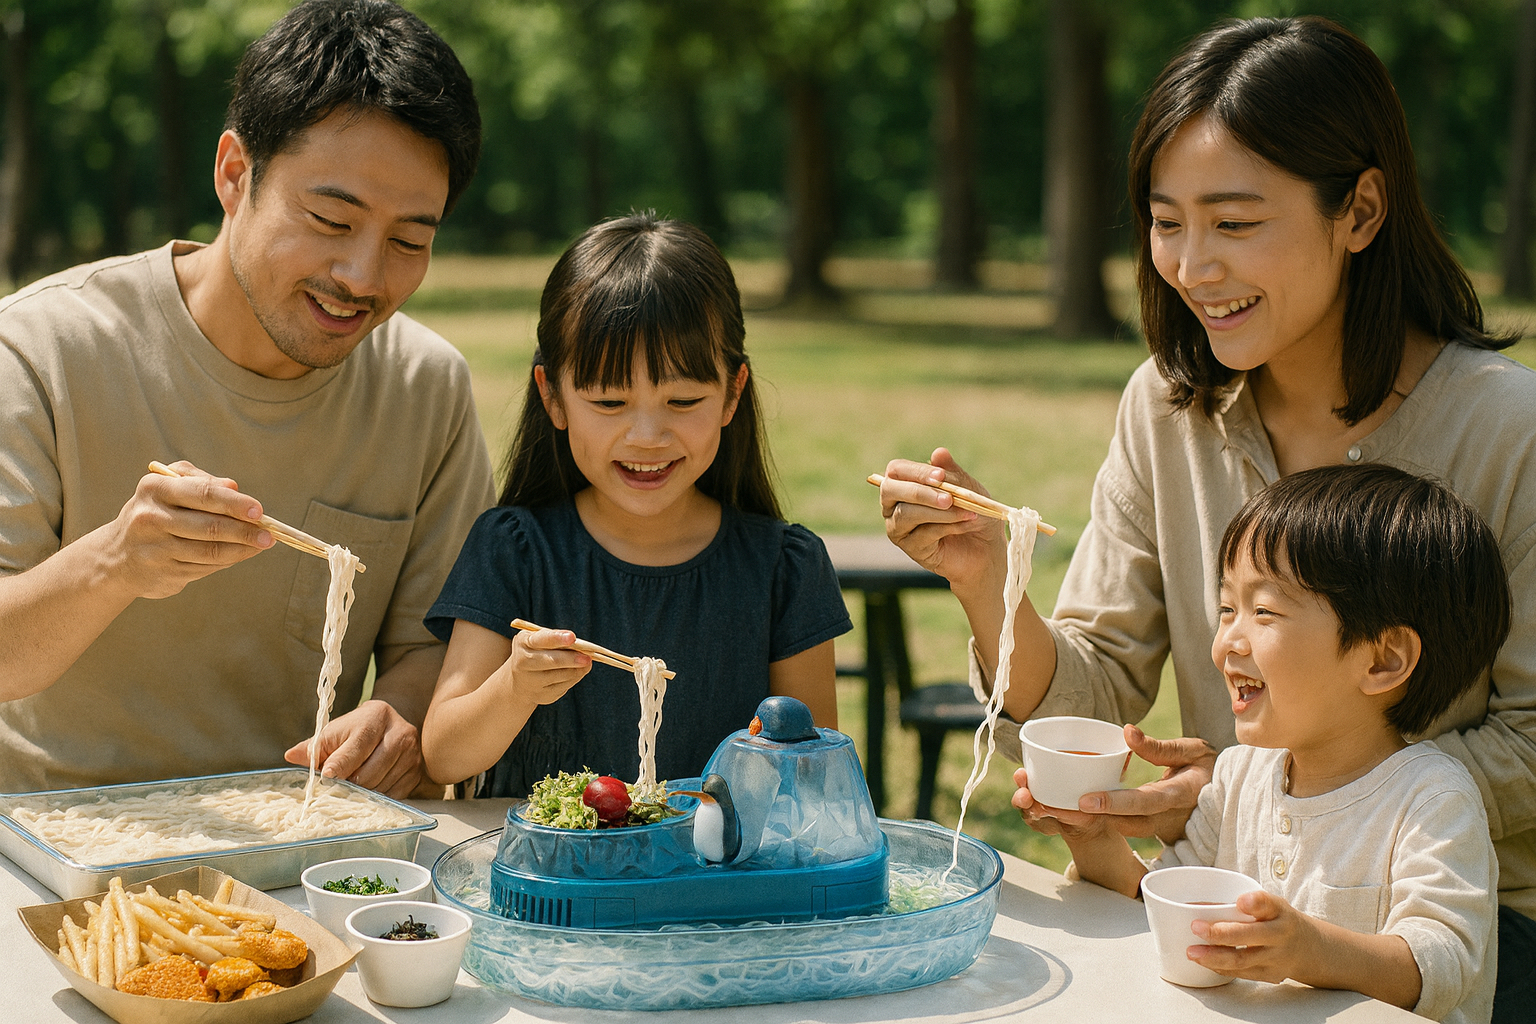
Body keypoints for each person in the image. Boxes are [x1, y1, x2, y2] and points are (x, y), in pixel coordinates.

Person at [877, 15, 1536, 1018]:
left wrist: (1269, 786)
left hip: (1459, 937)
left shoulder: (1508, 429)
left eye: (1234, 223)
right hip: (1230, 919)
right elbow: (1090, 707)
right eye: (1165, 220)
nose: (1193, 266)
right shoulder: (1166, 408)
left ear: (1360, 210)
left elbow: (1530, 748)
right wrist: (987, 585)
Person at [0, 0, 494, 798]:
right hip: (48, 849)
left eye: (409, 242)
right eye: (331, 219)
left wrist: (401, 710)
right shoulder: (40, 349)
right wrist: (116, 562)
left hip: (298, 846)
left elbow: (439, 643)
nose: (364, 278)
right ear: (236, 173)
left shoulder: (425, 386)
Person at [1054, 465, 1505, 1023]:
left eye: (1263, 611)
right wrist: (1093, 839)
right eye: (1227, 609)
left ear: (1382, 659)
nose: (1226, 643)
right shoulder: (1240, 777)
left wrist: (1311, 949)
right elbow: (1170, 905)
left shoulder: (1432, 800)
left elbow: (1441, 962)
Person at [420, 213, 850, 795]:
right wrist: (516, 685)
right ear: (553, 396)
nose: (647, 435)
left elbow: (817, 779)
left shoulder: (783, 568)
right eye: (609, 401)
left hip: (719, 878)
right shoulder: (515, 549)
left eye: (683, 399)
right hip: (550, 880)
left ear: (732, 393)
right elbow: (444, 755)